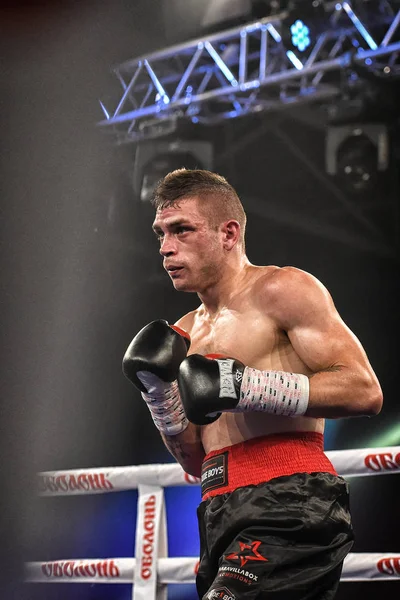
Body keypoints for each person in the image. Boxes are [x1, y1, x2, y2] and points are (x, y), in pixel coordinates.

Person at [123, 169, 383, 600]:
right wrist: (159, 396)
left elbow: (364, 390)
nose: (166, 248)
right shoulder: (185, 333)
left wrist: (249, 386)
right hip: (218, 507)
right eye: (161, 234)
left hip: (291, 502)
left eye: (182, 230)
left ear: (229, 233)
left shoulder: (281, 289)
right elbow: (193, 459)